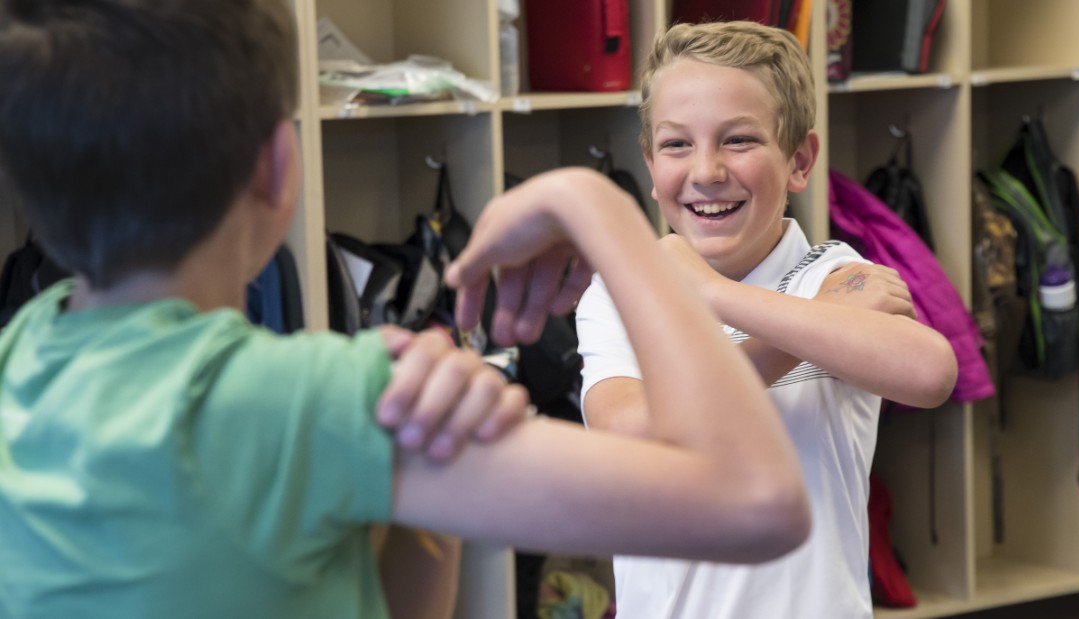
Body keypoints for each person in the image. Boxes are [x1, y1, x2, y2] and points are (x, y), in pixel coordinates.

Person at [0, 2, 813, 618]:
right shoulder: (320, 400)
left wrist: (426, 503)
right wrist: (596, 207)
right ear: (278, 167)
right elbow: (757, 503)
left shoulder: (18, 363)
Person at [574, 20, 960, 619]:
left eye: (738, 140)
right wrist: (808, 332)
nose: (705, 170)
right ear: (650, 164)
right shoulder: (620, 292)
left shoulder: (835, 276)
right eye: (677, 144)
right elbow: (632, 434)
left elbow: (931, 371)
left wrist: (712, 294)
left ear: (800, 160)